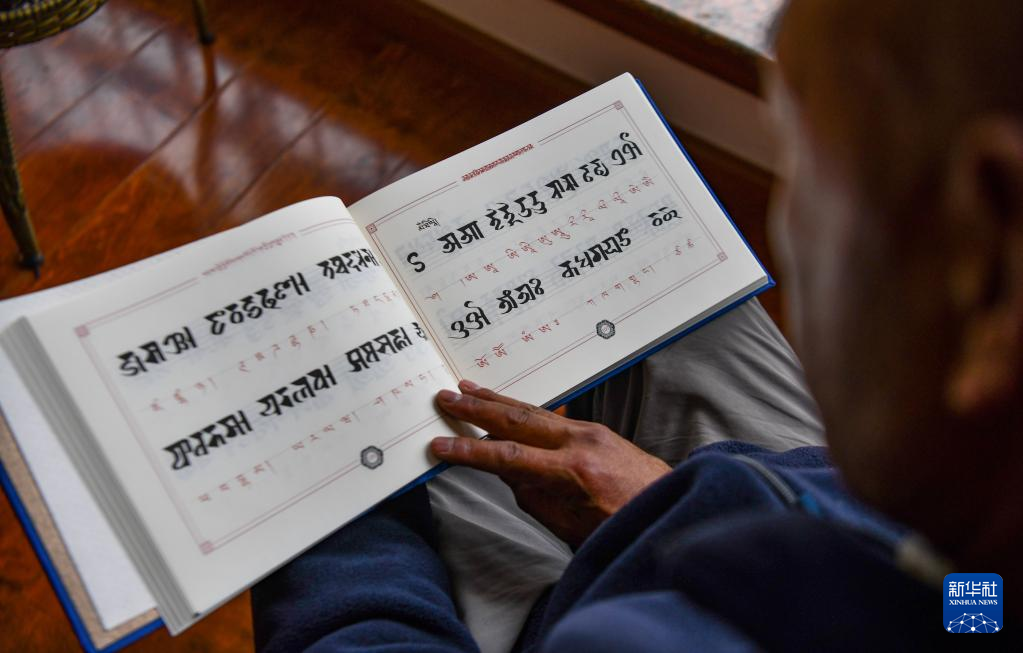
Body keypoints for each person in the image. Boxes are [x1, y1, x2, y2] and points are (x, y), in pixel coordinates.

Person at [251, 0, 1022, 649]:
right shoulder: (981, 578)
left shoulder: (649, 636)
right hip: (788, 505)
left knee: (405, 430)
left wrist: (324, 475)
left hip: (646, 578)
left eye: (806, 164)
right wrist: (675, 501)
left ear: (985, 263)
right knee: (689, 305)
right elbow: (971, 608)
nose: (787, 223)